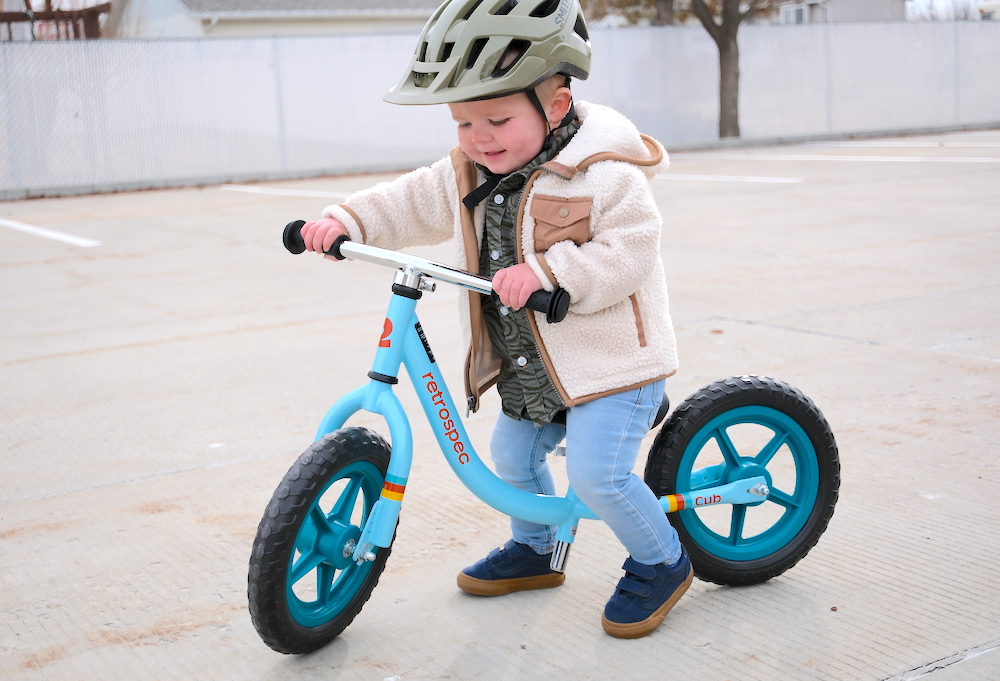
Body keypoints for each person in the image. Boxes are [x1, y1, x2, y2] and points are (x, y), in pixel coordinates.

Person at [299, 0, 690, 639]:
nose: (480, 137)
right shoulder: (471, 170)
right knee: (511, 454)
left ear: (555, 107)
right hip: (533, 367)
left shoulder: (605, 173)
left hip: (611, 367)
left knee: (598, 476)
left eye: (498, 119)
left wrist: (550, 272)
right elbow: (408, 200)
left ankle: (662, 560)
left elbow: (631, 250)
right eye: (463, 122)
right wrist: (347, 220)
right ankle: (538, 549)